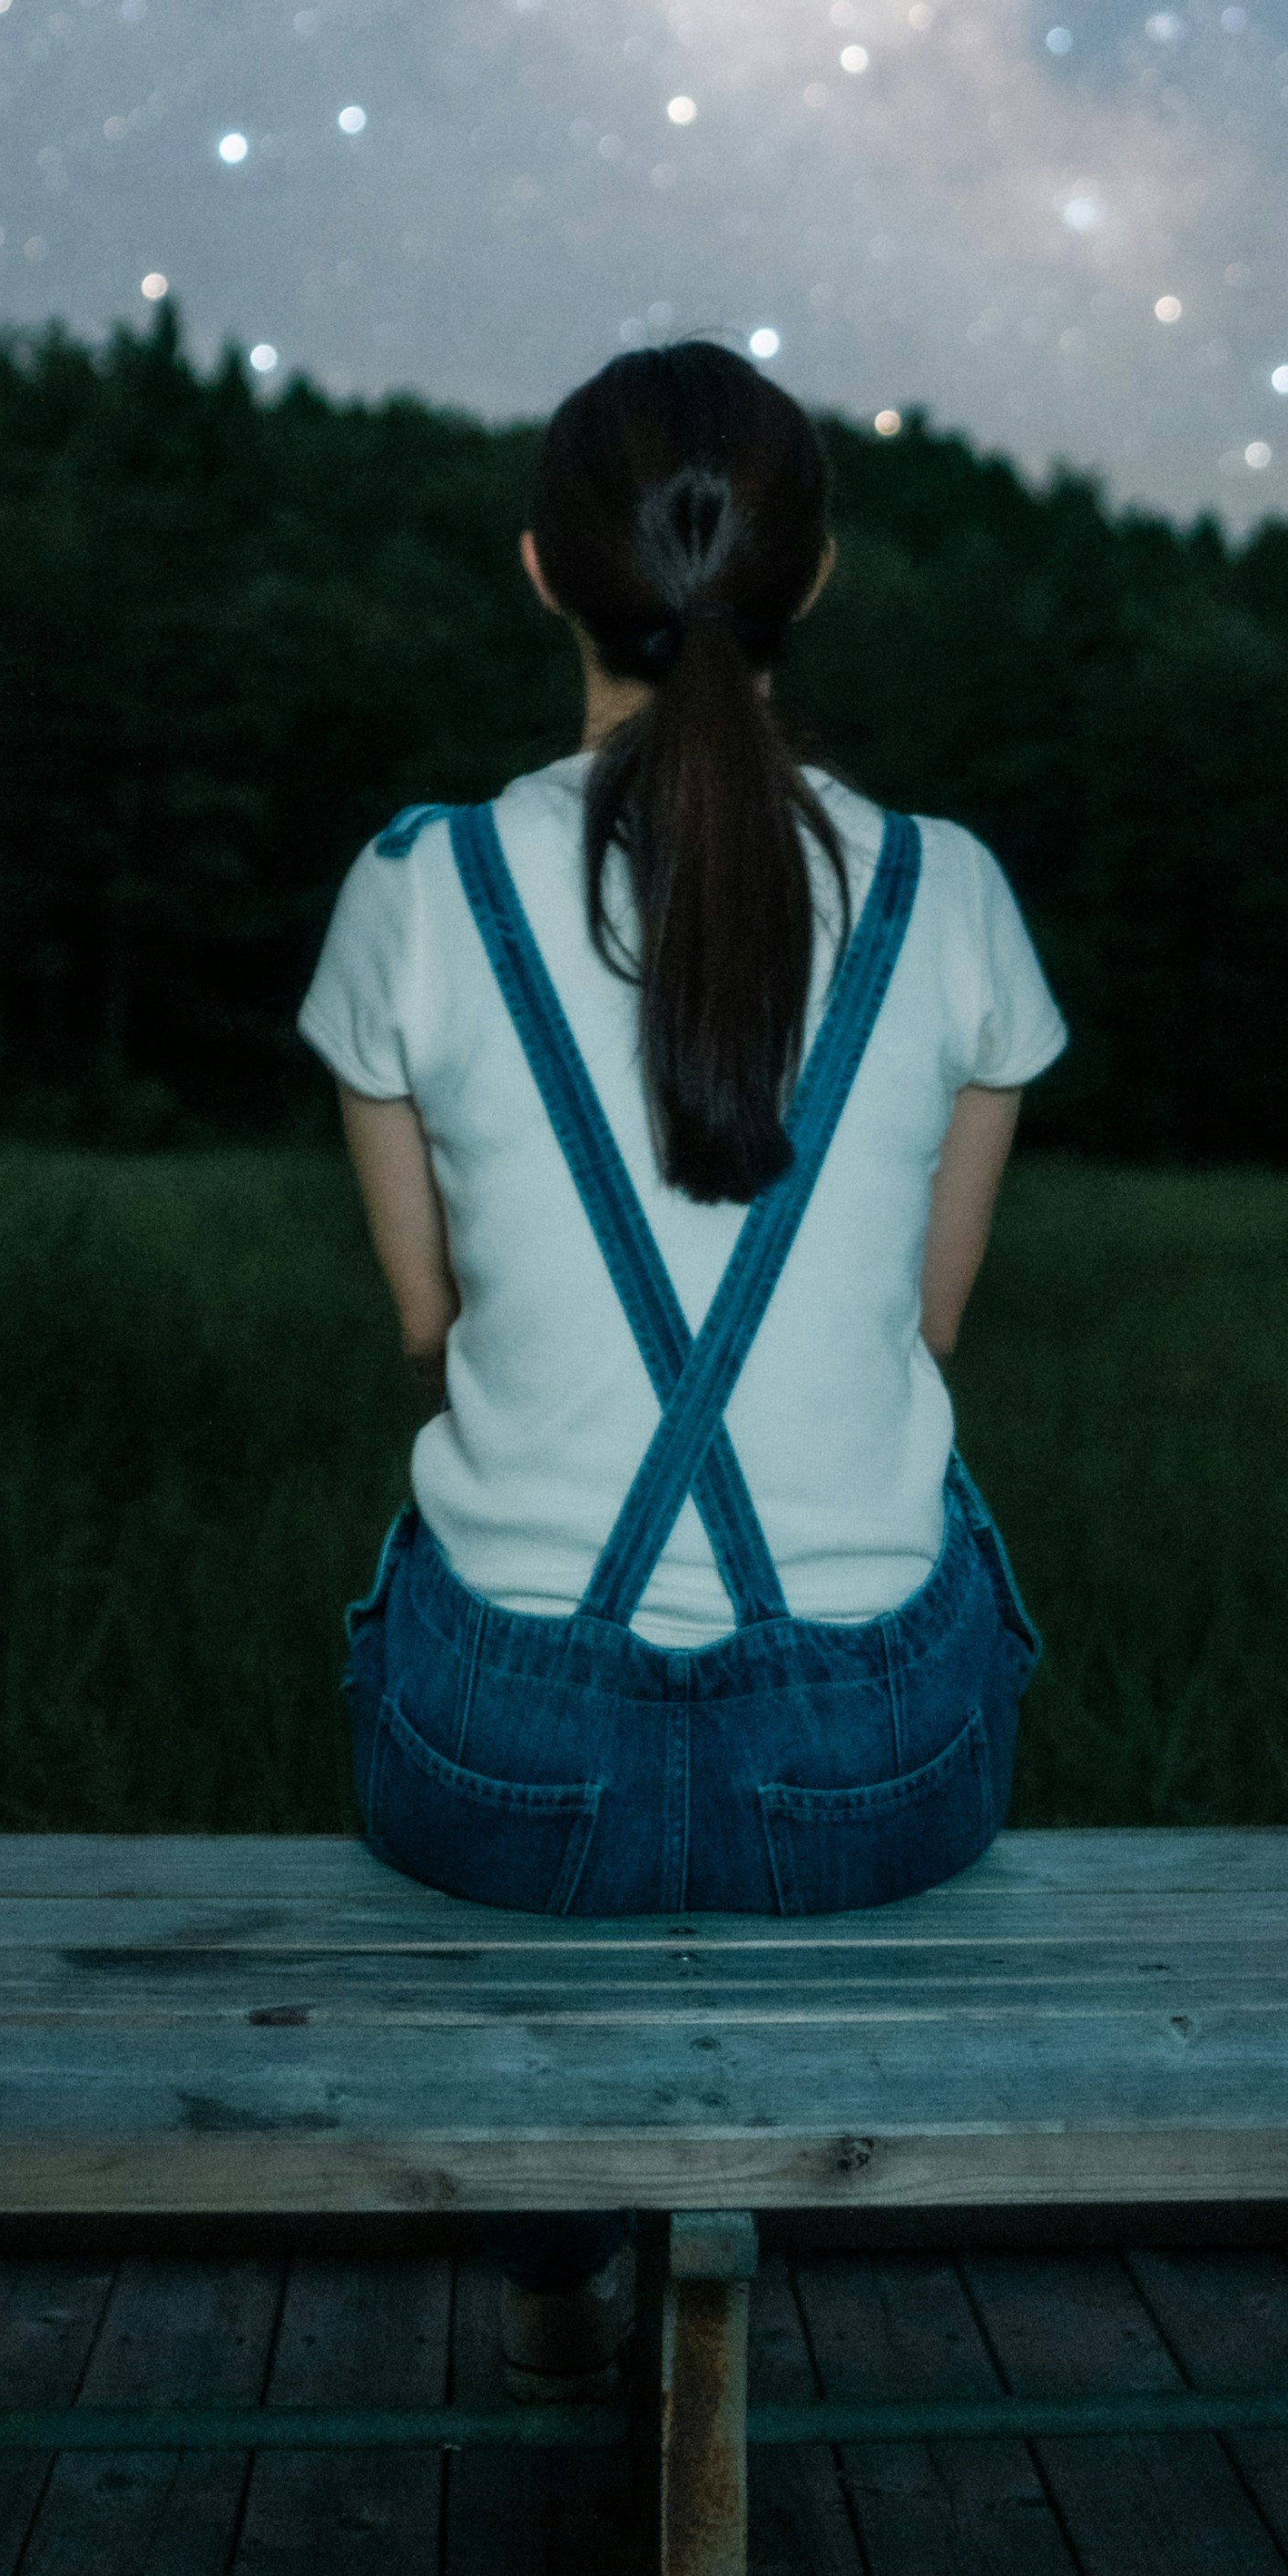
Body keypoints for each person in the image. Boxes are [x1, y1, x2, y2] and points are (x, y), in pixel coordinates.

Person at [300, 339, 1065, 1949]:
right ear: (819, 576)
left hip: (498, 1758)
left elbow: (433, 1336)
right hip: (875, 1766)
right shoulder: (950, 890)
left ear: (539, 572)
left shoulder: (417, 887)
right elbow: (925, 1329)